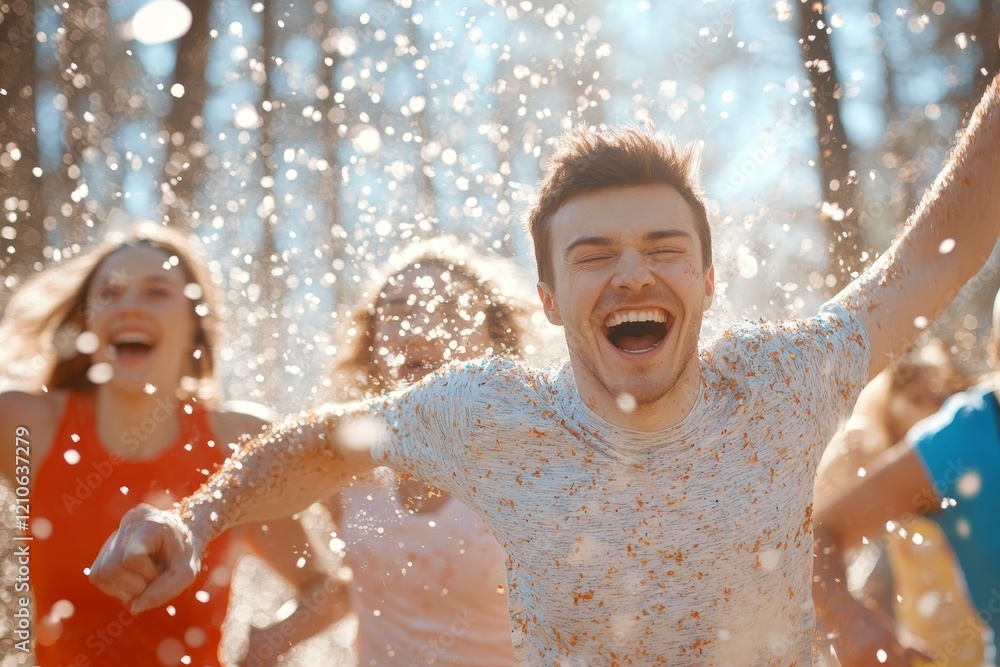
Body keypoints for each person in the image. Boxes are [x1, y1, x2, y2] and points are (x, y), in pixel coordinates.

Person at [89, 73, 1000, 665]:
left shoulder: (781, 381)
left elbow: (935, 254)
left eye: (663, 247)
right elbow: (325, 443)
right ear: (552, 297)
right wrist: (197, 512)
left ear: (710, 278)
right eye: (594, 253)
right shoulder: (487, 410)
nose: (634, 272)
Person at [0, 224, 344, 666]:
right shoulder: (25, 423)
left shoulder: (237, 441)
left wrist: (267, 644)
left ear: (195, 325)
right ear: (88, 319)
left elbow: (326, 591)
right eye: (111, 292)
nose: (129, 307)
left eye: (156, 292)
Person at [324, 240, 529, 665]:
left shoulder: (528, 464)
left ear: (494, 338)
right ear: (371, 338)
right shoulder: (348, 466)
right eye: (398, 313)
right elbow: (366, 583)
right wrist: (275, 636)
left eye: (451, 311)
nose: (418, 331)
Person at [812, 292, 1000, 666]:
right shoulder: (961, 438)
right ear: (996, 353)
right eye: (918, 395)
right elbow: (819, 532)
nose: (932, 397)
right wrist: (847, 620)